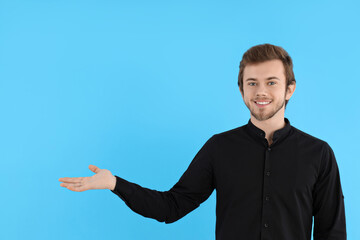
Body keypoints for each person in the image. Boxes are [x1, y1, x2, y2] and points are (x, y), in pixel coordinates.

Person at [59, 43, 347, 240]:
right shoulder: (219, 148)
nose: (261, 91)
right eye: (252, 83)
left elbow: (331, 232)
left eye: (271, 82)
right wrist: (115, 184)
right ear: (241, 89)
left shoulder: (319, 154)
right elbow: (171, 207)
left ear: (289, 90)